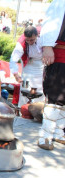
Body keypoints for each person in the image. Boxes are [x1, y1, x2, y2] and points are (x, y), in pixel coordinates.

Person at [37, 0, 65, 150]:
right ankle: (45, 136)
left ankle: (60, 134)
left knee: (64, 99)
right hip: (60, 55)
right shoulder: (60, 2)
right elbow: (51, 23)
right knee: (55, 97)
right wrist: (47, 46)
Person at [9, 26, 45, 108]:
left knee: (40, 88)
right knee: (25, 87)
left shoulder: (43, 38)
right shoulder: (21, 44)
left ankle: (38, 109)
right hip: (28, 63)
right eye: (27, 40)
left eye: (32, 40)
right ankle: (23, 108)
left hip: (41, 63)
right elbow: (13, 60)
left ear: (37, 35)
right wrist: (16, 74)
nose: (29, 42)